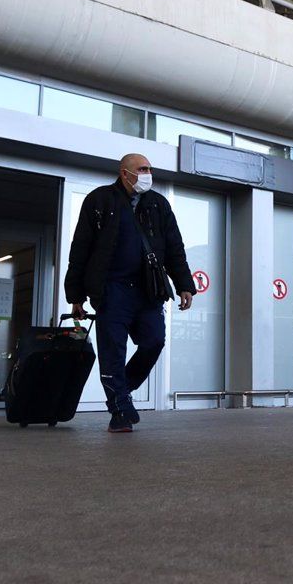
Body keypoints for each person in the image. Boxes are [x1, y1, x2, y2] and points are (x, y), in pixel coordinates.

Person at [65, 153, 195, 433]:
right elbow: (80, 249)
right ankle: (119, 410)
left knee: (154, 341)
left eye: (150, 168)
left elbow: (174, 247)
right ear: (125, 173)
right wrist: (76, 294)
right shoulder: (99, 201)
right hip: (112, 290)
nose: (148, 174)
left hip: (149, 290)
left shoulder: (159, 205)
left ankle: (121, 387)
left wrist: (184, 284)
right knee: (112, 351)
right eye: (142, 169)